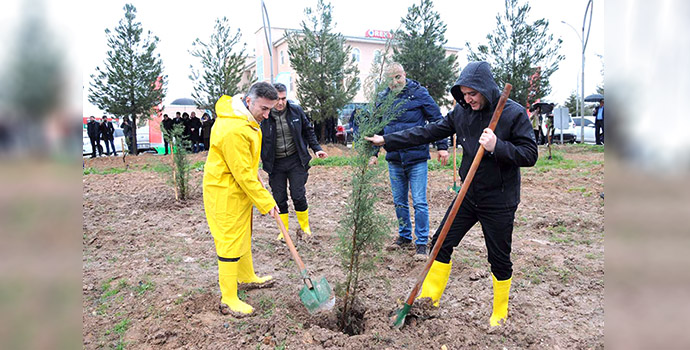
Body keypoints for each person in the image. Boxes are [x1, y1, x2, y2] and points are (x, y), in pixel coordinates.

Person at [365, 61, 538, 327]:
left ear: (486, 89)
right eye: (464, 94)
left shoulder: (512, 113)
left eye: (473, 94)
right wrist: (387, 140)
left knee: (499, 258)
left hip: (499, 199)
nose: (468, 100)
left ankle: (499, 312)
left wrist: (497, 146)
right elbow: (428, 131)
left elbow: (529, 154)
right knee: (441, 243)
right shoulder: (462, 112)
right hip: (467, 194)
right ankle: (429, 299)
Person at [203, 81, 280, 316]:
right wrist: (267, 202)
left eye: (270, 109)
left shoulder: (246, 120)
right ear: (248, 101)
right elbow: (242, 173)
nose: (267, 115)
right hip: (225, 190)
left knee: (243, 232)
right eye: (264, 109)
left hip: (237, 186)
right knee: (229, 239)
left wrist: (256, 174)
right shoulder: (234, 129)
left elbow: (245, 166)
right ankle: (228, 298)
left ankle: (246, 276)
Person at [371, 62, 449, 260]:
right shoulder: (383, 99)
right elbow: (377, 128)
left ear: (404, 74)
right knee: (399, 202)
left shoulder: (419, 93)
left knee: (420, 202)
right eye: (390, 79)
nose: (395, 82)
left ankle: (421, 242)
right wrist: (373, 153)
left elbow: (438, 121)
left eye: (398, 77)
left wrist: (442, 147)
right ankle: (404, 236)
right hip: (394, 158)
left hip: (416, 158)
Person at [260, 83, 327, 240]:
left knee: (298, 194)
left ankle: (305, 227)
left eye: (284, 98)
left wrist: (316, 148)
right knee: (279, 197)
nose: (281, 102)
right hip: (275, 163)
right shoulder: (265, 115)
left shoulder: (296, 110)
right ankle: (284, 231)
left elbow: (308, 130)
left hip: (296, 160)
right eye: (277, 99)